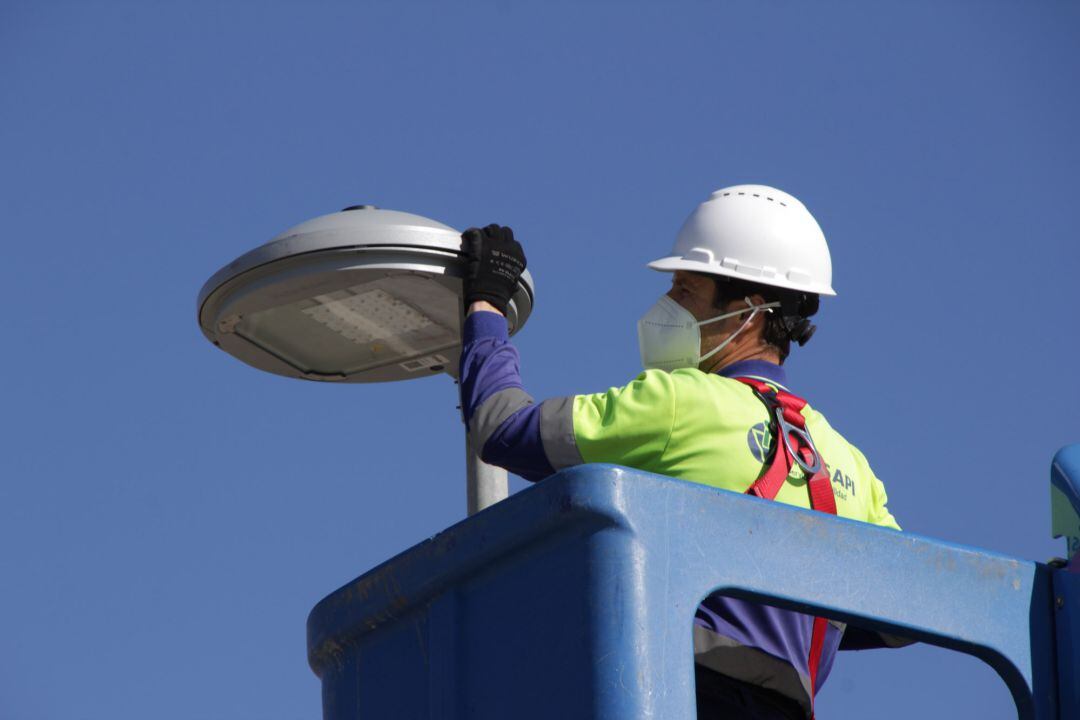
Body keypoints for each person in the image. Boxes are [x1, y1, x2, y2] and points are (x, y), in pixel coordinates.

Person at [458, 184, 904, 720]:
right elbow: (897, 617)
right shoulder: (849, 463)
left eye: (685, 290)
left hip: (682, 697)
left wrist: (485, 307)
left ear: (749, 312)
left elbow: (502, 427)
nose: (667, 307)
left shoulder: (681, 402)